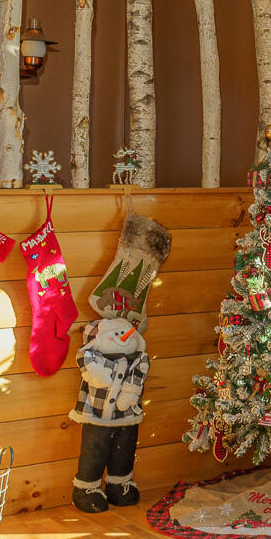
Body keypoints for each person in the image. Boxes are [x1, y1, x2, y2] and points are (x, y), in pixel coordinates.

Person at [70, 214, 169, 515]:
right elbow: (87, 361)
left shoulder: (137, 355)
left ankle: (119, 483)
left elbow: (139, 371)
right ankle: (86, 487)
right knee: (94, 450)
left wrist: (130, 390)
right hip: (97, 415)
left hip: (127, 416)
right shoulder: (94, 350)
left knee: (124, 450)